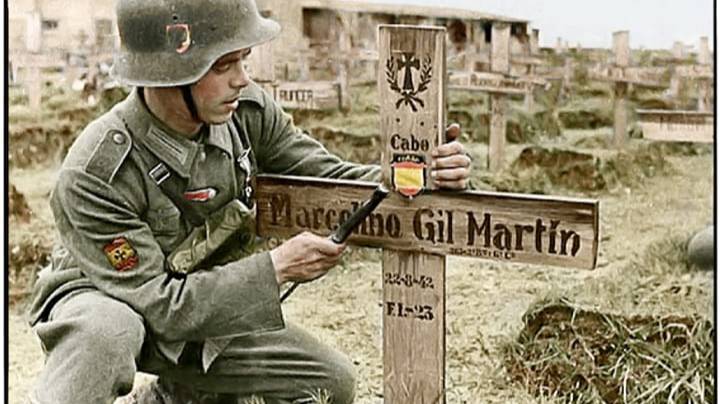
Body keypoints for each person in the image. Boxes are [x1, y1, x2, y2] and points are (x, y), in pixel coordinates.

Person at [26, 0, 472, 403]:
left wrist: (417, 175)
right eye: (223, 65)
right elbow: (160, 306)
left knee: (329, 383)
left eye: (243, 59)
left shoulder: (246, 111)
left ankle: (172, 397)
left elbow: (327, 178)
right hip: (110, 295)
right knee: (106, 333)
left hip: (206, 295)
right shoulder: (97, 172)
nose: (241, 79)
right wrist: (276, 268)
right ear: (169, 75)